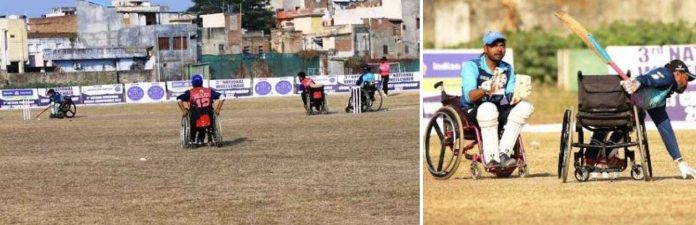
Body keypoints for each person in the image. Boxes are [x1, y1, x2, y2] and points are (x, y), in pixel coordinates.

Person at [460, 31, 535, 168]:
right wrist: (486, 89)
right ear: (485, 48)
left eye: (502, 45)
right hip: (474, 111)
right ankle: (491, 159)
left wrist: (519, 94)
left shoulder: (507, 68)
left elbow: (509, 95)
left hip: (497, 110)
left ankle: (504, 154)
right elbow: (469, 97)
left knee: (526, 107)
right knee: (488, 108)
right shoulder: (472, 66)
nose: (499, 49)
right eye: (494, 46)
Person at [619, 59, 696, 179]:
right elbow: (649, 78)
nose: (686, 84)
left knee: (638, 116)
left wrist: (679, 161)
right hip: (618, 100)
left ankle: (601, 155)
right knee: (636, 116)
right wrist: (637, 82)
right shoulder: (667, 75)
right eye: (686, 79)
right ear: (677, 73)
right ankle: (602, 154)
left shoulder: (660, 98)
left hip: (624, 110)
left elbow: (666, 129)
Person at [177, 74, 225, 146]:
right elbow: (222, 96)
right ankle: (208, 139)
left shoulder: (190, 92)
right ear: (202, 82)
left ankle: (192, 139)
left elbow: (179, 99)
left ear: (193, 83)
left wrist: (184, 110)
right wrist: (218, 109)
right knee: (208, 116)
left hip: (195, 119)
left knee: (192, 116)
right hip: (209, 119)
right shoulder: (209, 91)